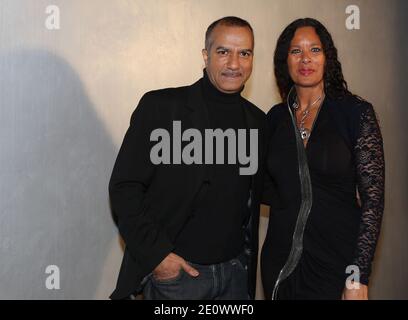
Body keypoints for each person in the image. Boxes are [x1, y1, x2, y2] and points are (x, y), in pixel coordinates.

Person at [109, 16, 267, 300]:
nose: (234, 63)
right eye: (223, 52)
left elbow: (264, 192)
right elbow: (124, 188)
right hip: (177, 279)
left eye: (244, 53)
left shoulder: (258, 121)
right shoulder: (162, 108)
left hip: (235, 277)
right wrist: (158, 257)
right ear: (206, 55)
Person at [261, 18, 385, 300]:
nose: (306, 59)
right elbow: (266, 188)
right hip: (280, 263)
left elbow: (373, 202)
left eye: (315, 50)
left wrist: (358, 276)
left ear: (327, 57)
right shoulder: (276, 119)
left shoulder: (355, 113)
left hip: (336, 263)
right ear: (285, 61)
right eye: (296, 51)